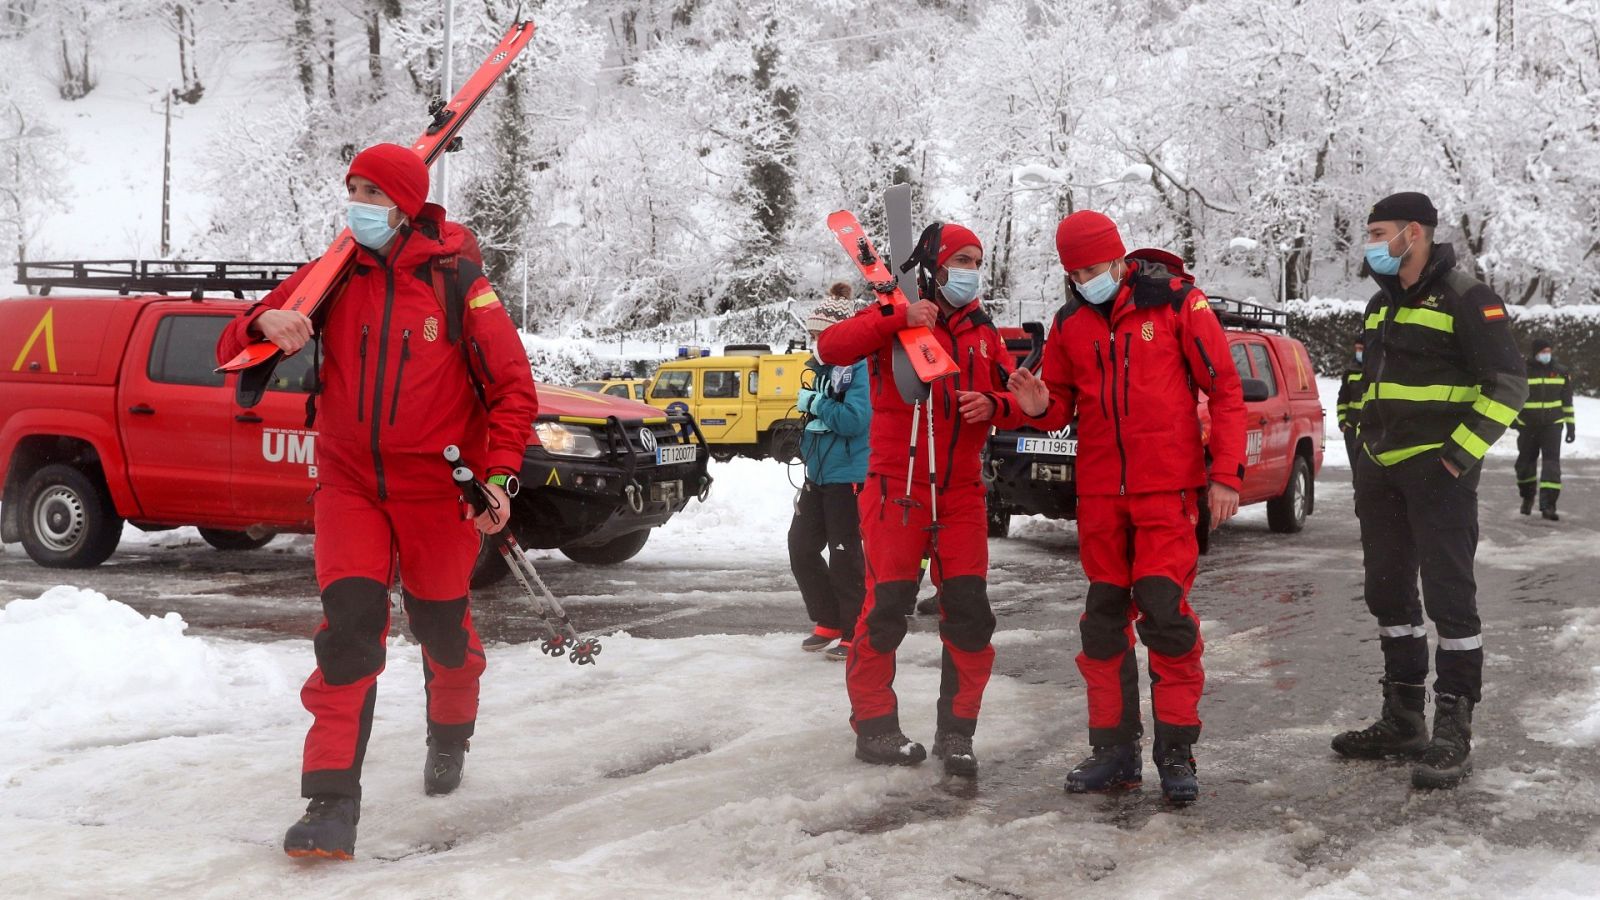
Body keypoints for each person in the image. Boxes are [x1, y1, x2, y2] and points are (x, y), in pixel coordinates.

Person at [216, 143, 539, 859]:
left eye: (368, 190)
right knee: (349, 631)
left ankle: (450, 733)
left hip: (436, 491)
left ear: (404, 203)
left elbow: (513, 389)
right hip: (349, 485)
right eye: (351, 187)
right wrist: (262, 325)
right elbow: (234, 341)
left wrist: (501, 477)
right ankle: (330, 805)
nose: (355, 201)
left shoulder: (459, 281)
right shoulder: (334, 271)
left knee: (442, 629)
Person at [979, 210, 1246, 804]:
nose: (1085, 279)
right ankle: (1114, 752)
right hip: (1100, 496)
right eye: (1074, 272)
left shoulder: (1178, 303)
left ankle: (1176, 752)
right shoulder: (1070, 321)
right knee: (1102, 624)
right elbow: (1059, 409)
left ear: (1121, 261)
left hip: (1166, 492)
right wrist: (1037, 402)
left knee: (1165, 616)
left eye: (1094, 268)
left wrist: (1224, 475)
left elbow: (1224, 389)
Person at [1331, 191, 1526, 790]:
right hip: (1380, 472)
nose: (1371, 245)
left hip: (1438, 476)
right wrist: (1357, 439)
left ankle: (1453, 730)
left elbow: (1507, 385)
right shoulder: (1377, 307)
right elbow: (1359, 382)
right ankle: (1403, 718)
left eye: (1378, 232)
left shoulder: (1469, 298)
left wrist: (1454, 459)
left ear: (1413, 233)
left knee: (1450, 601)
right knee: (1387, 595)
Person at [817, 222, 1019, 776]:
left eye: (978, 260)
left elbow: (1018, 396)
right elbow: (830, 348)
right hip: (895, 488)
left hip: (961, 495)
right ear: (936, 265)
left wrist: (1000, 405)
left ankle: (957, 734)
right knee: (884, 612)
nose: (971, 270)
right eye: (962, 259)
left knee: (971, 614)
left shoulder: (984, 331)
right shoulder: (895, 314)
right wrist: (896, 318)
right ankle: (875, 728)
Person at [791, 292, 872, 663]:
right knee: (801, 546)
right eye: (811, 335)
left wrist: (816, 404)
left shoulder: (859, 369)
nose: (815, 342)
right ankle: (829, 617)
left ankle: (855, 626)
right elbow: (824, 419)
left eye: (820, 334)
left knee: (845, 554)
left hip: (849, 475)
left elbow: (856, 420)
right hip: (818, 473)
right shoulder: (820, 369)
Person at [1513, 338, 1576, 521]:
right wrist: (1515, 420)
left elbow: (1567, 402)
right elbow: (1514, 397)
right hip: (1527, 426)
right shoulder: (1523, 372)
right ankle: (1527, 496)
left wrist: (1571, 427)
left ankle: (1548, 506)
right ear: (1535, 353)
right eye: (1543, 351)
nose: (1547, 354)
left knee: (1551, 466)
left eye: (1549, 351)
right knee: (1524, 465)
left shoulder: (1560, 372)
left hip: (1552, 425)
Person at [1335, 337, 1366, 475]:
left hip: (1370, 429)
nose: (1358, 352)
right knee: (1357, 472)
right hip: (1352, 429)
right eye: (1357, 349)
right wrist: (1343, 423)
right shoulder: (1350, 372)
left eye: (1361, 349)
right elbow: (1343, 400)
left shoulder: (1377, 369)